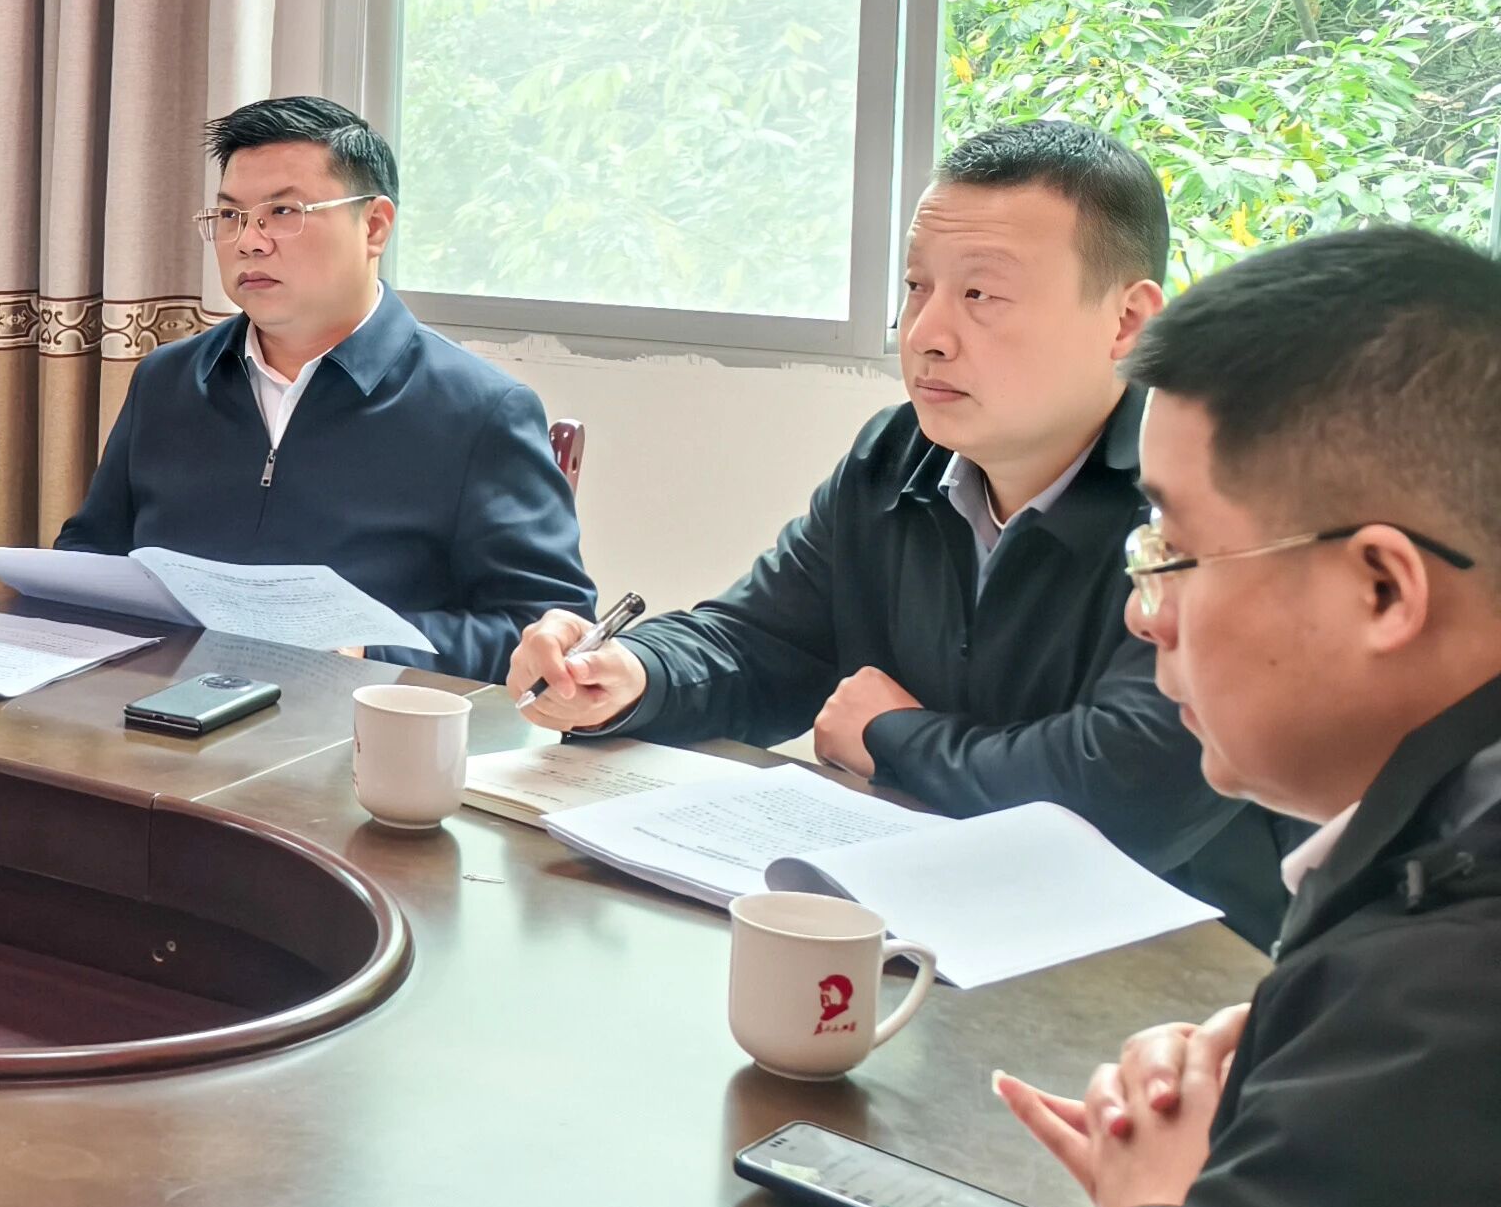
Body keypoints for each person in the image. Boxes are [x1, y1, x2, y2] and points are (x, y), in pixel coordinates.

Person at [510, 123, 1290, 942]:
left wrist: (891, 736)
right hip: (929, 929)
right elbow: (760, 643)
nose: (925, 335)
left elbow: (1127, 786)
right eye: (918, 287)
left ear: (1127, 321)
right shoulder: (898, 454)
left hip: (1160, 964)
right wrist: (632, 671)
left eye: (981, 296)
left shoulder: (1210, 493)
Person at [973, 225, 1501, 1207]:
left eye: (1175, 549)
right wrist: (1302, 1065)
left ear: (1381, 587)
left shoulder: (1448, 994)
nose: (1144, 611)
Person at [58, 97, 590, 679]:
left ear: (374, 226)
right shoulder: (168, 380)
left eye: (284, 212)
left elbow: (540, 626)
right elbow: (91, 556)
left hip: (350, 718)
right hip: (156, 704)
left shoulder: (479, 410)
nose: (249, 241)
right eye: (231, 216)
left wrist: (368, 650)